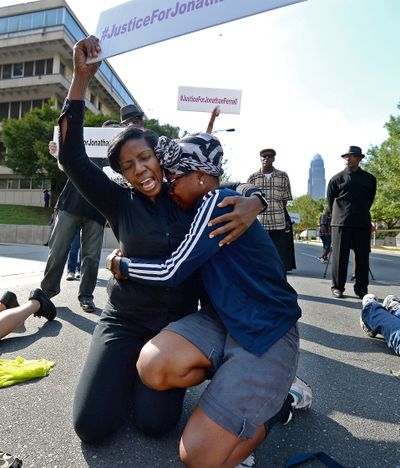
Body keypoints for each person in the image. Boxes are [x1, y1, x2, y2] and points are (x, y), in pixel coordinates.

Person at [57, 36, 267, 447]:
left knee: (156, 424)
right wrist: (81, 78)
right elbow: (71, 157)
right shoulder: (118, 202)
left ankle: (172, 373)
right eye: (128, 166)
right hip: (124, 320)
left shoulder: (190, 196)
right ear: (123, 173)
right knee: (92, 427)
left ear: (161, 157)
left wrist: (254, 202)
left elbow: (223, 180)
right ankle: (122, 372)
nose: (140, 170)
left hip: (175, 328)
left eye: (145, 158)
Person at [111, 133, 308, 467]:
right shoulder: (206, 199)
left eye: (173, 179)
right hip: (221, 321)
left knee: (198, 457)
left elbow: (171, 271)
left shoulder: (214, 203)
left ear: (200, 177)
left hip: (266, 332)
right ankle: (237, 385)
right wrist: (254, 195)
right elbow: (239, 183)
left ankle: (278, 404)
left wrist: (121, 265)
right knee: (152, 366)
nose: (169, 186)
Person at [41, 120, 120, 312]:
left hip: (97, 212)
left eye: (113, 133)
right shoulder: (83, 148)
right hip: (70, 206)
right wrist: (56, 152)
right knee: (58, 251)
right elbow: (64, 165)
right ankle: (45, 294)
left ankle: (86, 296)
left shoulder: (118, 160)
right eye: (105, 133)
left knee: (91, 257)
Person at [327, 146, 376, 299]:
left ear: (359, 158)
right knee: (340, 257)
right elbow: (330, 202)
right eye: (346, 156)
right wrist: (339, 216)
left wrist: (360, 212)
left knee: (362, 258)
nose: (348, 159)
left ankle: (361, 289)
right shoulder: (336, 179)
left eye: (352, 156)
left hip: (361, 222)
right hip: (340, 223)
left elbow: (370, 200)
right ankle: (337, 287)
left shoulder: (369, 179)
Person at [247, 148, 294, 272]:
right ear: (260, 158)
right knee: (259, 251)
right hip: (259, 221)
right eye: (263, 156)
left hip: (278, 221)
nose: (266, 158)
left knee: (277, 253)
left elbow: (285, 199)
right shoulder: (253, 178)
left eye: (269, 156)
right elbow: (247, 199)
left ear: (274, 158)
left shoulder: (283, 176)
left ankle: (276, 277)